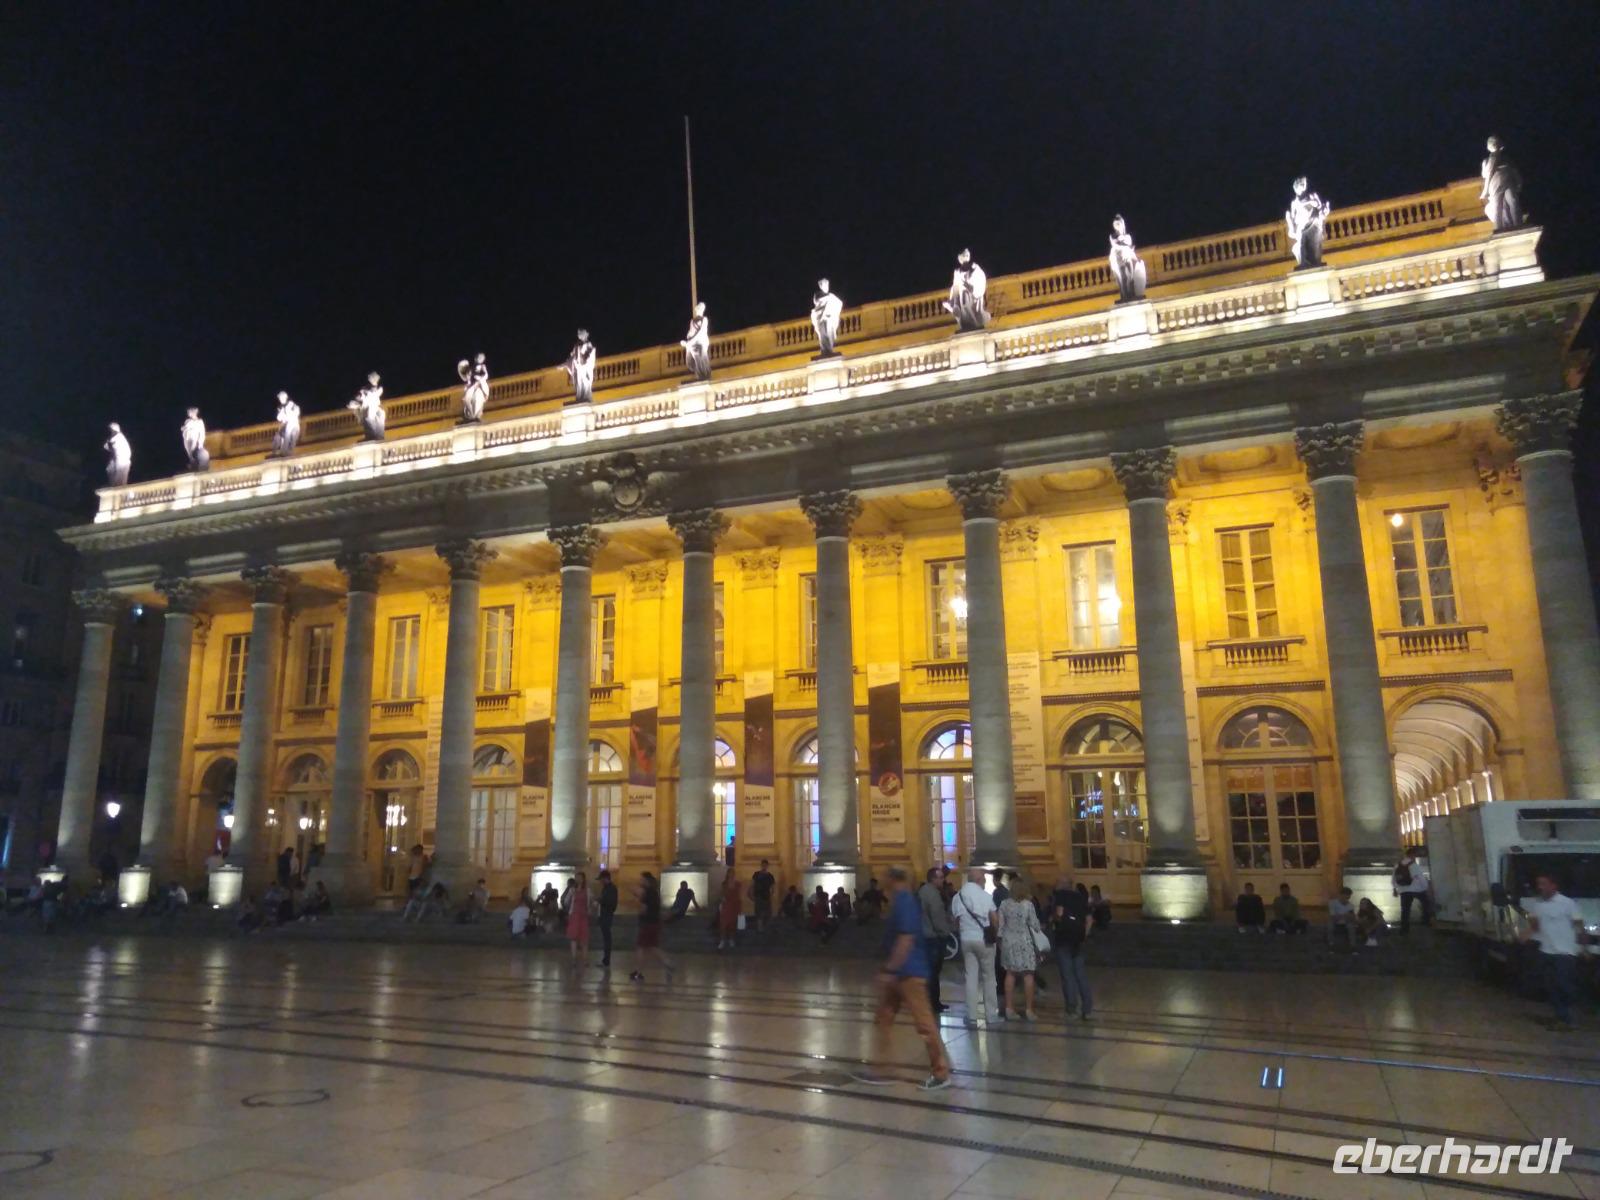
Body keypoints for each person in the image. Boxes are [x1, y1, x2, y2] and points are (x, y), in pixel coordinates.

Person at [854, 867, 951, 1091]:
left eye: (885, 878)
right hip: (899, 974)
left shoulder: (905, 901)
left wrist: (889, 969)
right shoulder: (899, 901)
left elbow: (906, 939)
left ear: (893, 879)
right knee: (883, 1018)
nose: (882, 882)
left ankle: (940, 1072)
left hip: (909, 973)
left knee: (925, 1024)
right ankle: (883, 1069)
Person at [1524, 871, 1584, 1030]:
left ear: (1553, 886)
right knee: (1551, 986)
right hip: (1546, 951)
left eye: (1544, 884)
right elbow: (1534, 925)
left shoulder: (1567, 903)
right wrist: (1525, 935)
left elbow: (1578, 924)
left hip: (1565, 953)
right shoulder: (1537, 905)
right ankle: (1561, 1017)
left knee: (1564, 985)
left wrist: (1583, 947)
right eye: (1539, 884)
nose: (1540, 887)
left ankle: (1568, 1017)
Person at [953, 866, 1000, 1027]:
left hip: (966, 939)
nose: (985, 882)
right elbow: (994, 920)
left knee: (970, 977)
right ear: (979, 880)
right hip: (984, 940)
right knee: (989, 978)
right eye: (984, 879)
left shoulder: (957, 896)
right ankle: (991, 1015)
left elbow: (956, 921)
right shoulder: (985, 896)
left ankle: (971, 1016)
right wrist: (995, 933)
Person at [1051, 874, 1093, 1019]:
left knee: (1068, 976)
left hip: (1064, 939)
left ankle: (1071, 1009)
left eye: (1057, 881)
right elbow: (1089, 919)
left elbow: (1059, 914)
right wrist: (1084, 935)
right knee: (1081, 975)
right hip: (1078, 940)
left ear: (1062, 884)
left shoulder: (1060, 896)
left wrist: (1054, 920)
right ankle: (1087, 1009)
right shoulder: (1081, 897)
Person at [999, 886, 1043, 1022]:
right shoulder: (1027, 905)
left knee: (1010, 974)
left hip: (1008, 942)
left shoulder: (1004, 904)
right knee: (1028, 974)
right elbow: (1035, 925)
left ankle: (1009, 1008)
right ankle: (1029, 1010)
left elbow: (1000, 926)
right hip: (1024, 942)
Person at [918, 867, 955, 1012]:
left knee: (931, 972)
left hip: (925, 936)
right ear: (933, 878)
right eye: (940, 877)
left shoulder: (923, 891)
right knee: (933, 972)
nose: (943, 880)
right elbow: (937, 917)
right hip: (933, 938)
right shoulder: (932, 894)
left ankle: (932, 1002)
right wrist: (946, 932)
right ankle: (933, 1003)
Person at [630, 872, 673, 982]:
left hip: (647, 923)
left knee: (641, 947)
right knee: (653, 947)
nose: (640, 881)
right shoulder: (655, 892)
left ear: (646, 881)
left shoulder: (647, 893)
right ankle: (667, 963)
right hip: (655, 923)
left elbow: (643, 909)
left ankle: (638, 973)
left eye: (642, 879)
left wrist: (637, 900)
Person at [1393, 852, 1431, 933]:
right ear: (1412, 855)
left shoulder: (1397, 865)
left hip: (1404, 891)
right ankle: (1426, 920)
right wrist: (1426, 887)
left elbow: (1394, 879)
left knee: (1405, 910)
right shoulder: (1413, 865)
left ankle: (1404, 929)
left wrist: (1395, 889)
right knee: (1426, 903)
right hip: (1417, 890)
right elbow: (1421, 878)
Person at [567, 872, 591, 962]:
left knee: (584, 938)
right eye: (577, 877)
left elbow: (589, 902)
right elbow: (566, 901)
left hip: (583, 915)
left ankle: (585, 959)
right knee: (573, 937)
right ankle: (574, 958)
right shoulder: (572, 890)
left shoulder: (587, 890)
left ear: (583, 879)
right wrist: (570, 895)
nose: (578, 879)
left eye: (580, 877)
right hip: (574, 915)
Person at [597, 869, 619, 966]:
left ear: (605, 878)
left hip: (607, 916)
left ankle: (606, 960)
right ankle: (605, 960)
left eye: (601, 879)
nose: (600, 882)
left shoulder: (611, 888)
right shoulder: (606, 888)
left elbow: (611, 903)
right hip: (604, 915)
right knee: (606, 938)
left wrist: (600, 900)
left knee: (607, 939)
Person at [717, 873, 744, 951]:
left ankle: (731, 940)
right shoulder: (724, 884)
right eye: (730, 873)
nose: (732, 875)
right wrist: (722, 900)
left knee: (733, 924)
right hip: (726, 905)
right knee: (723, 924)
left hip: (734, 905)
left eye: (733, 873)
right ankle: (722, 941)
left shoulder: (738, 884)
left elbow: (739, 895)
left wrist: (740, 907)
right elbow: (721, 894)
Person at [750, 860, 776, 931]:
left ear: (767, 866)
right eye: (763, 865)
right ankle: (759, 927)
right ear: (761, 865)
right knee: (758, 912)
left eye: (765, 865)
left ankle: (764, 926)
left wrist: (771, 895)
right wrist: (751, 893)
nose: (764, 866)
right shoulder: (756, 874)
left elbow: (773, 887)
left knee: (768, 913)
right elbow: (752, 884)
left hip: (766, 896)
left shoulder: (770, 876)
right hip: (758, 896)